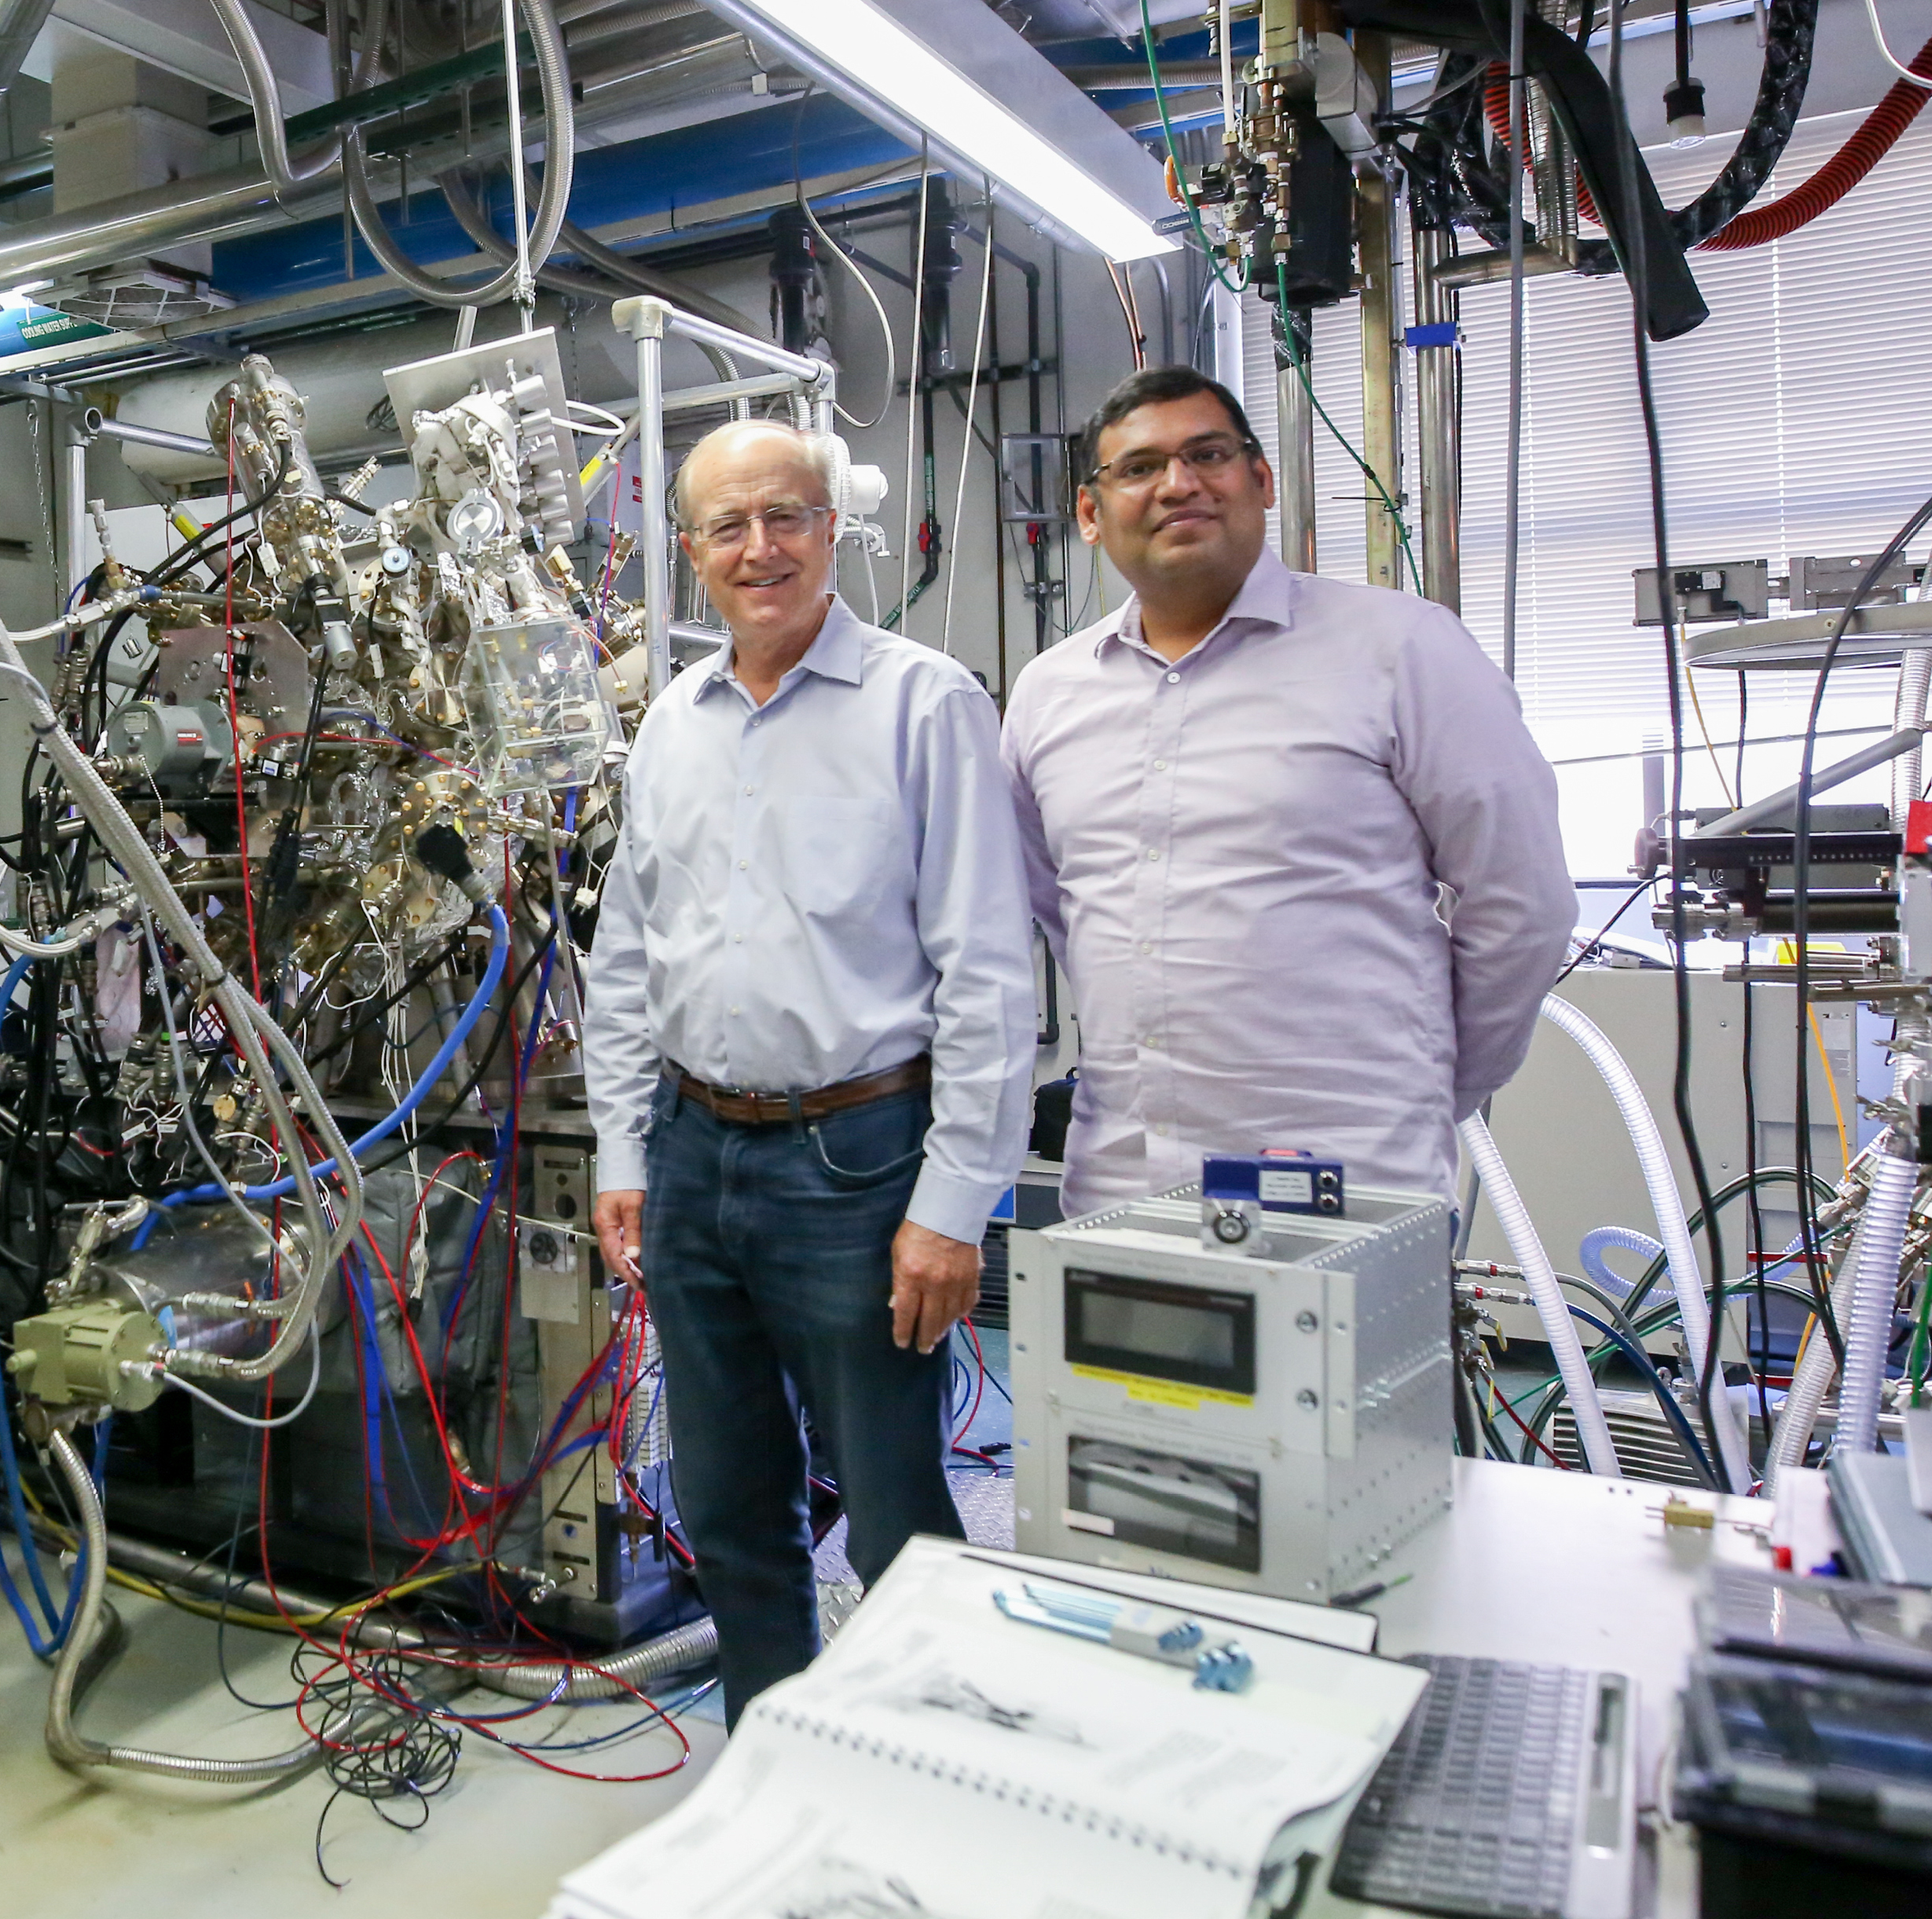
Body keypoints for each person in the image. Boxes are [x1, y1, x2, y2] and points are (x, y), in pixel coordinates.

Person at [581, 418, 1036, 1727]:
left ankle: (928, 1759)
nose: (759, 547)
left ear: (834, 529)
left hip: (859, 1158)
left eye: (786, 516)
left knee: (891, 1498)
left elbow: (990, 980)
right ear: (692, 552)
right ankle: (775, 1742)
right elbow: (627, 962)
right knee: (726, 1495)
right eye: (728, 526)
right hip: (693, 1153)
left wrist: (957, 1205)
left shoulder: (924, 702)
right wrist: (626, 1158)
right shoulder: (671, 722)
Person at [1003, 365, 1575, 1215]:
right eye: (1137, 468)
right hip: (1122, 1172)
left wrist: (1420, 1090)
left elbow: (1520, 908)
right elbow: (1058, 910)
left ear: (1260, 480)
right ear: (1089, 514)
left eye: (1207, 454)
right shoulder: (1049, 692)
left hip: (1347, 1168)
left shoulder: (1403, 650)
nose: (1177, 484)